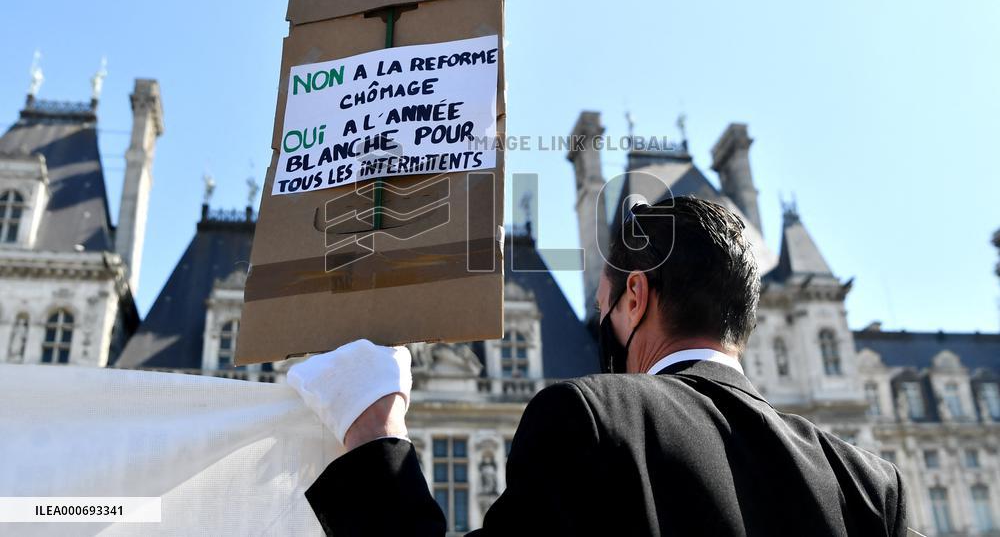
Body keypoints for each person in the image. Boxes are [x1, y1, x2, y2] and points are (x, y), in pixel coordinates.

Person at [289, 195, 908, 536]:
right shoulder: (872, 486)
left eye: (603, 307)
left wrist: (375, 436)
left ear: (635, 296)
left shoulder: (590, 420)